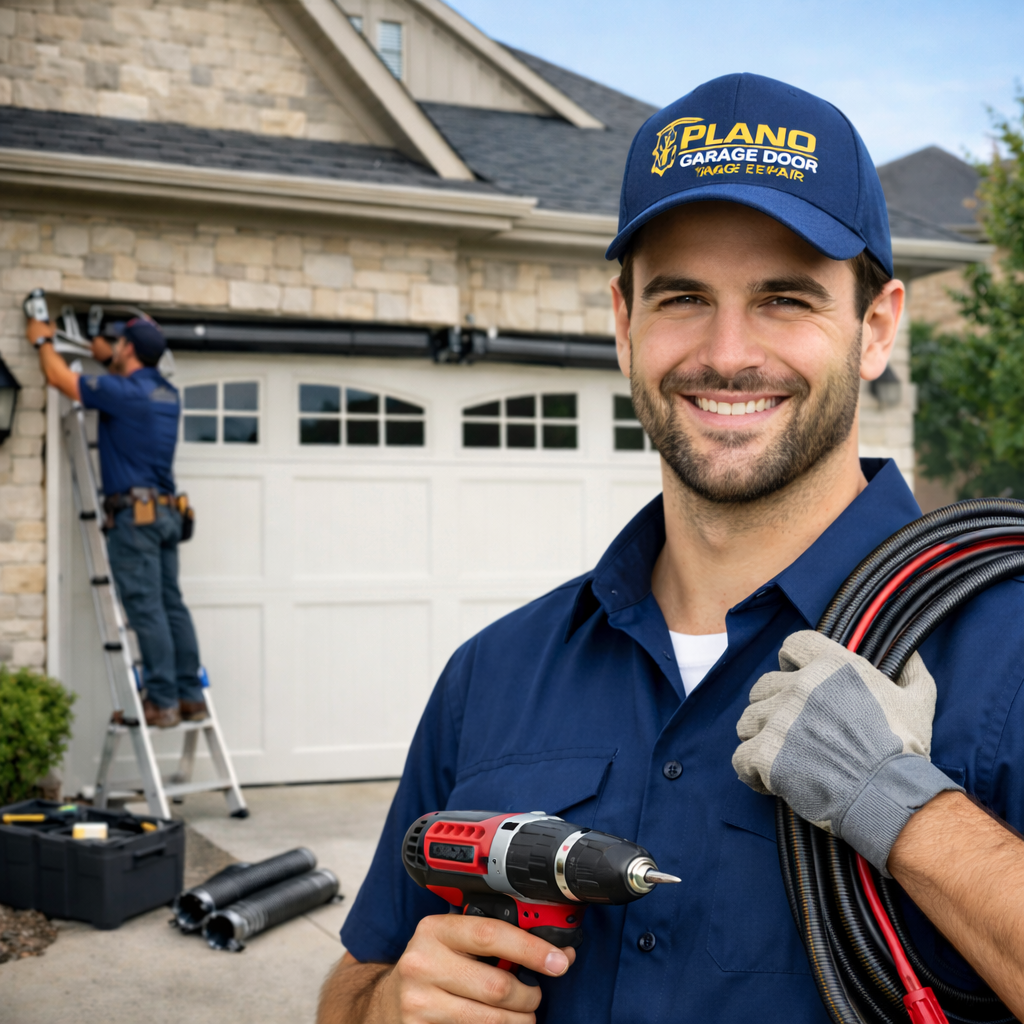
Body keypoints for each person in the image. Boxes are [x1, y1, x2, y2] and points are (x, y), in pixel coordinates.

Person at [319, 74, 1024, 1023]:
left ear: (876, 327)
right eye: (683, 296)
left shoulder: (1009, 647)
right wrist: (385, 1010)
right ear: (624, 323)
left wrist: (906, 812)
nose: (728, 351)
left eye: (785, 298)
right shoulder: (494, 673)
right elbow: (351, 987)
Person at [29, 313, 206, 730]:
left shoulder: (123, 393)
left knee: (146, 609)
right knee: (171, 606)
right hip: (164, 514)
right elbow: (126, 375)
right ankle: (189, 695)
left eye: (120, 342)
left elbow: (60, 379)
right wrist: (109, 356)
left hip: (136, 520)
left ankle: (161, 702)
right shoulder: (166, 393)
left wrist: (41, 341)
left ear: (127, 348)